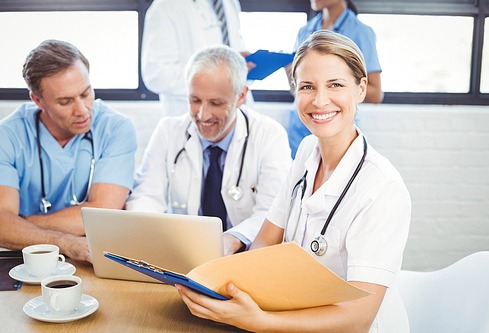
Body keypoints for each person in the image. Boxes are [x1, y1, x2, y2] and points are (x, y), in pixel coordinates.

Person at [176, 31, 411, 333]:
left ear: (361, 88)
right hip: (292, 316)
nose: (319, 100)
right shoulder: (305, 152)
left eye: (335, 85)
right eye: (307, 87)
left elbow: (359, 317)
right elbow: (265, 241)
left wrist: (260, 321)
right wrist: (226, 289)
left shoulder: (382, 188)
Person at [126, 45, 291, 256]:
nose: (203, 116)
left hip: (245, 255)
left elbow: (273, 213)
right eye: (195, 100)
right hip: (183, 254)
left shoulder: (269, 135)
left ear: (241, 96)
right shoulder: (168, 131)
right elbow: (146, 196)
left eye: (216, 103)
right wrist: (146, 230)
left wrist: (230, 241)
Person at [0, 40, 137, 262]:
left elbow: (103, 213)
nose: (82, 111)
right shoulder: (7, 136)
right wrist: (64, 243)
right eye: (65, 101)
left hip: (89, 254)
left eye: (85, 93)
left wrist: (21, 224)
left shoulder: (116, 128)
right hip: (22, 257)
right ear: (38, 101)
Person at [288, 0, 383, 157]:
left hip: (336, 129)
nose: (320, 101)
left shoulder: (361, 32)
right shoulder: (304, 31)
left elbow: (376, 93)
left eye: (336, 84)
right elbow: (296, 89)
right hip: (299, 131)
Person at [141, 0, 252, 116]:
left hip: (238, 112)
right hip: (193, 118)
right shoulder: (165, 6)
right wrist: (214, 76)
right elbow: (156, 74)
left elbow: (233, 43)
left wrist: (240, 61)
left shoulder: (229, 3)